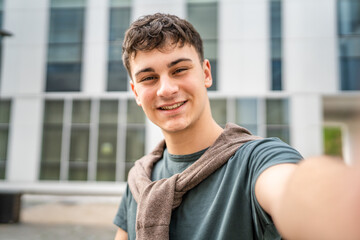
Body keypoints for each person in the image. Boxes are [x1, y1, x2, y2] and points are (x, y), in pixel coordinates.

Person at [113, 13, 360, 240]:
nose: (166, 89)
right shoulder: (140, 179)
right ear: (136, 92)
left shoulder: (256, 161)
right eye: (148, 78)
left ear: (206, 73)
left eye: (179, 70)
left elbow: (294, 191)